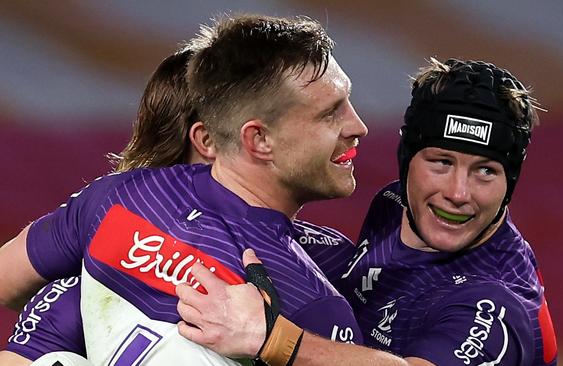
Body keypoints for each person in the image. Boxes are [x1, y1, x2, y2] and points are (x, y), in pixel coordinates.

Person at [0, 14, 367, 366]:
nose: (359, 126)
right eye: (330, 112)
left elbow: (7, 282)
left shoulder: (115, 199)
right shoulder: (311, 297)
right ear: (251, 139)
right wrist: (279, 343)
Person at [173, 58, 558, 366]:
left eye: (485, 171)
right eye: (441, 162)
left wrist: (270, 339)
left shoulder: (494, 305)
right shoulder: (394, 205)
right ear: (406, 159)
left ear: (511, 181)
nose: (457, 193)